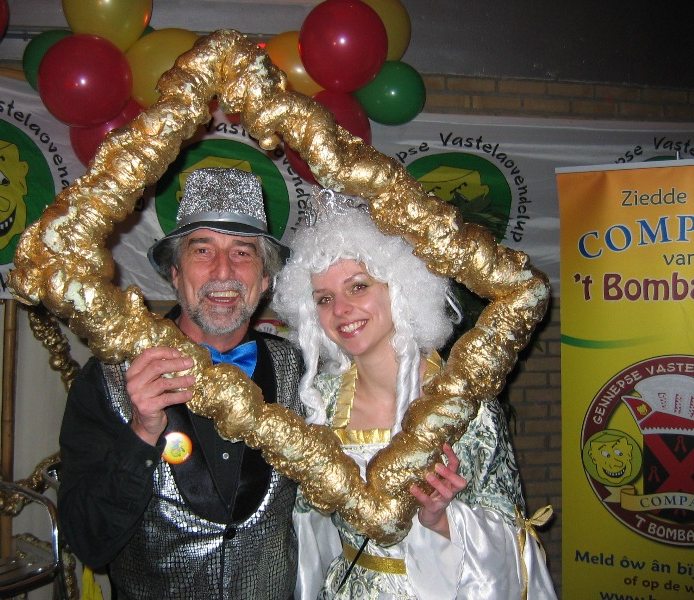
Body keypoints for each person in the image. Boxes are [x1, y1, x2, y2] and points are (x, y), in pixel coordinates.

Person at [272, 189, 558, 599]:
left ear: (400, 287)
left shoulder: (463, 405)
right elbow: (308, 535)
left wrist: (441, 519)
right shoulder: (321, 403)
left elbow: (511, 545)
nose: (341, 310)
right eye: (325, 298)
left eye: (358, 287)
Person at [58, 167, 305, 599]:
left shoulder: (301, 371)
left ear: (265, 279)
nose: (223, 271)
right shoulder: (108, 378)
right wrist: (140, 434)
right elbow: (86, 541)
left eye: (243, 252)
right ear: (175, 272)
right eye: (203, 250)